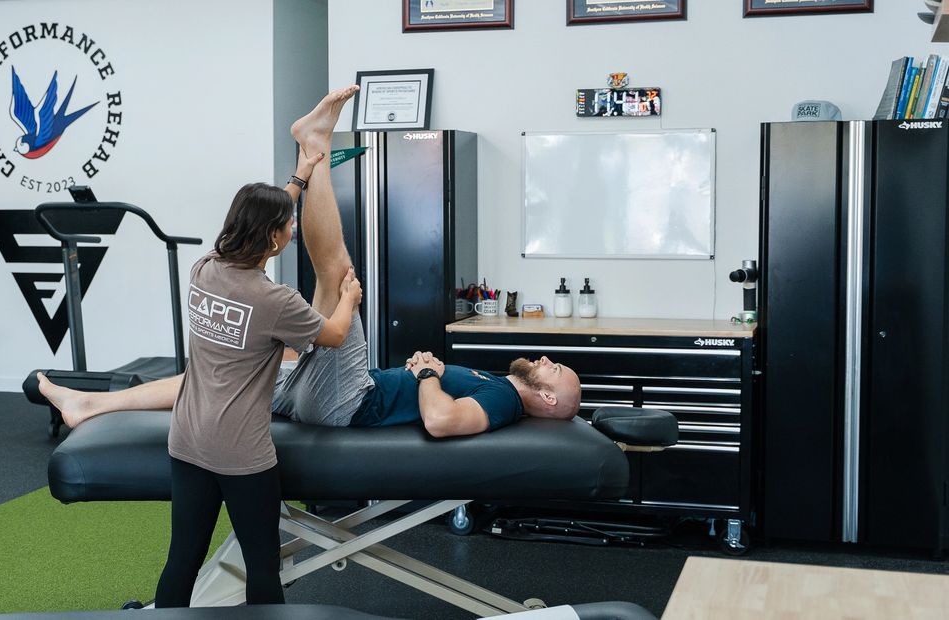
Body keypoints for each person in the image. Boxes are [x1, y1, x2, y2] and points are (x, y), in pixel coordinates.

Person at [38, 86, 581, 441]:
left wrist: (429, 374)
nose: (543, 358)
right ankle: (90, 405)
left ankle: (315, 146)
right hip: (328, 392)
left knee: (338, 275)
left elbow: (439, 422)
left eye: (554, 368)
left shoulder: (507, 399)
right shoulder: (502, 386)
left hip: (348, 402)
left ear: (550, 397)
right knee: (207, 377)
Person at [122, 85, 365, 609]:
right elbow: (336, 335)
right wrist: (347, 295)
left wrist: (301, 175)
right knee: (262, 564)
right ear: (275, 239)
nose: (295, 228)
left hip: (187, 439)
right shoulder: (275, 300)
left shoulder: (206, 268)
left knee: (181, 559)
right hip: (241, 454)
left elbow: (265, 223)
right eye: (289, 226)